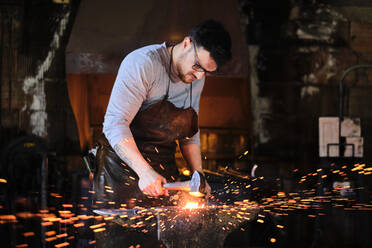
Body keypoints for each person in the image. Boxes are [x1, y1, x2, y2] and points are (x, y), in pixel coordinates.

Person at [93, 18, 231, 211]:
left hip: (164, 175)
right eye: (198, 66)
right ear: (186, 44)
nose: (199, 76)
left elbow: (190, 134)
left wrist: (198, 176)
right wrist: (144, 172)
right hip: (120, 174)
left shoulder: (197, 77)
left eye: (207, 72)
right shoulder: (144, 63)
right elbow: (115, 124)